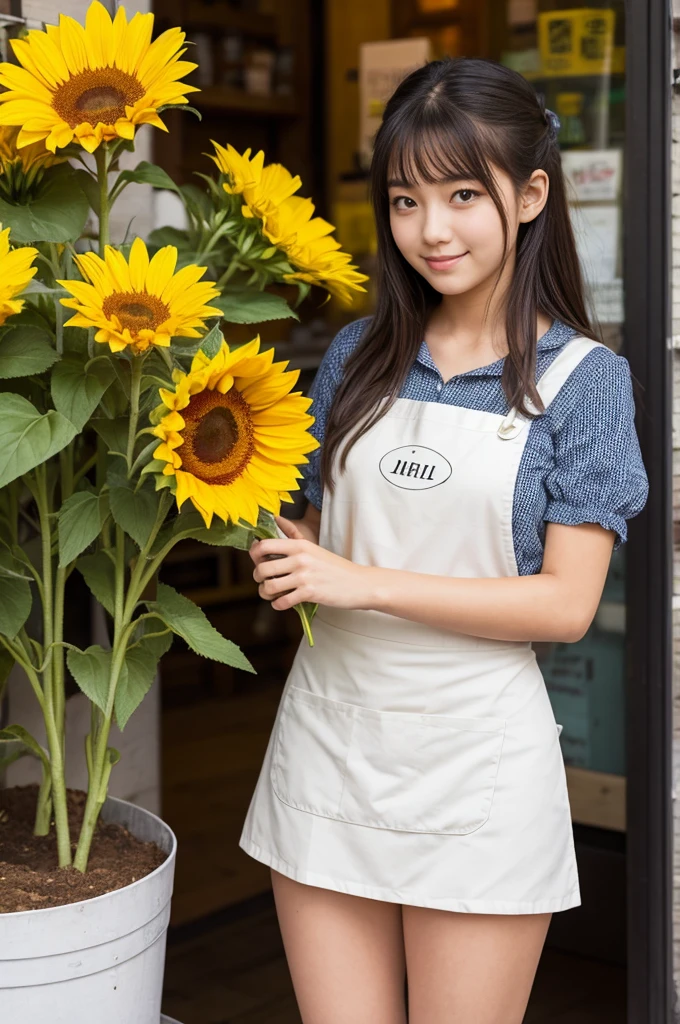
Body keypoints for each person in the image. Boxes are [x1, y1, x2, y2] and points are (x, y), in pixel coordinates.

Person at [239, 56, 649, 1024]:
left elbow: (563, 602)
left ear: (530, 193)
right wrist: (282, 546)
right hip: (328, 745)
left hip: (476, 769)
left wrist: (356, 579)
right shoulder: (357, 353)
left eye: (462, 193)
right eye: (404, 198)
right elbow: (300, 516)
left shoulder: (584, 382)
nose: (430, 229)